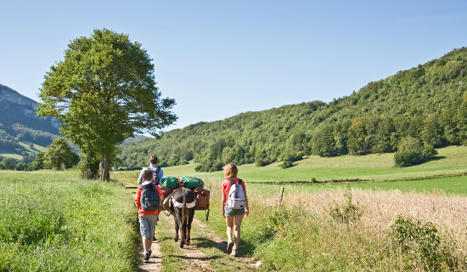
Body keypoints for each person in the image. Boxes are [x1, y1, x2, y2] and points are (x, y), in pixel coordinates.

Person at [135, 168, 163, 262]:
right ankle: (148, 250)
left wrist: (139, 209)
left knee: (144, 233)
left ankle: (146, 251)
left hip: (142, 213)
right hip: (154, 213)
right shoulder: (156, 187)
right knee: (150, 234)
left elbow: (137, 200)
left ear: (143, 177)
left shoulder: (141, 187)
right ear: (152, 177)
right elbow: (161, 197)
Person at [221, 163, 249, 257]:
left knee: (229, 227)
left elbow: (223, 198)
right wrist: (247, 207)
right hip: (240, 206)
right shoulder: (241, 182)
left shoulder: (225, 182)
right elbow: (245, 196)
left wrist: (222, 209)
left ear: (227, 171)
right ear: (236, 171)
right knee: (237, 228)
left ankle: (229, 240)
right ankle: (235, 249)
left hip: (229, 206)